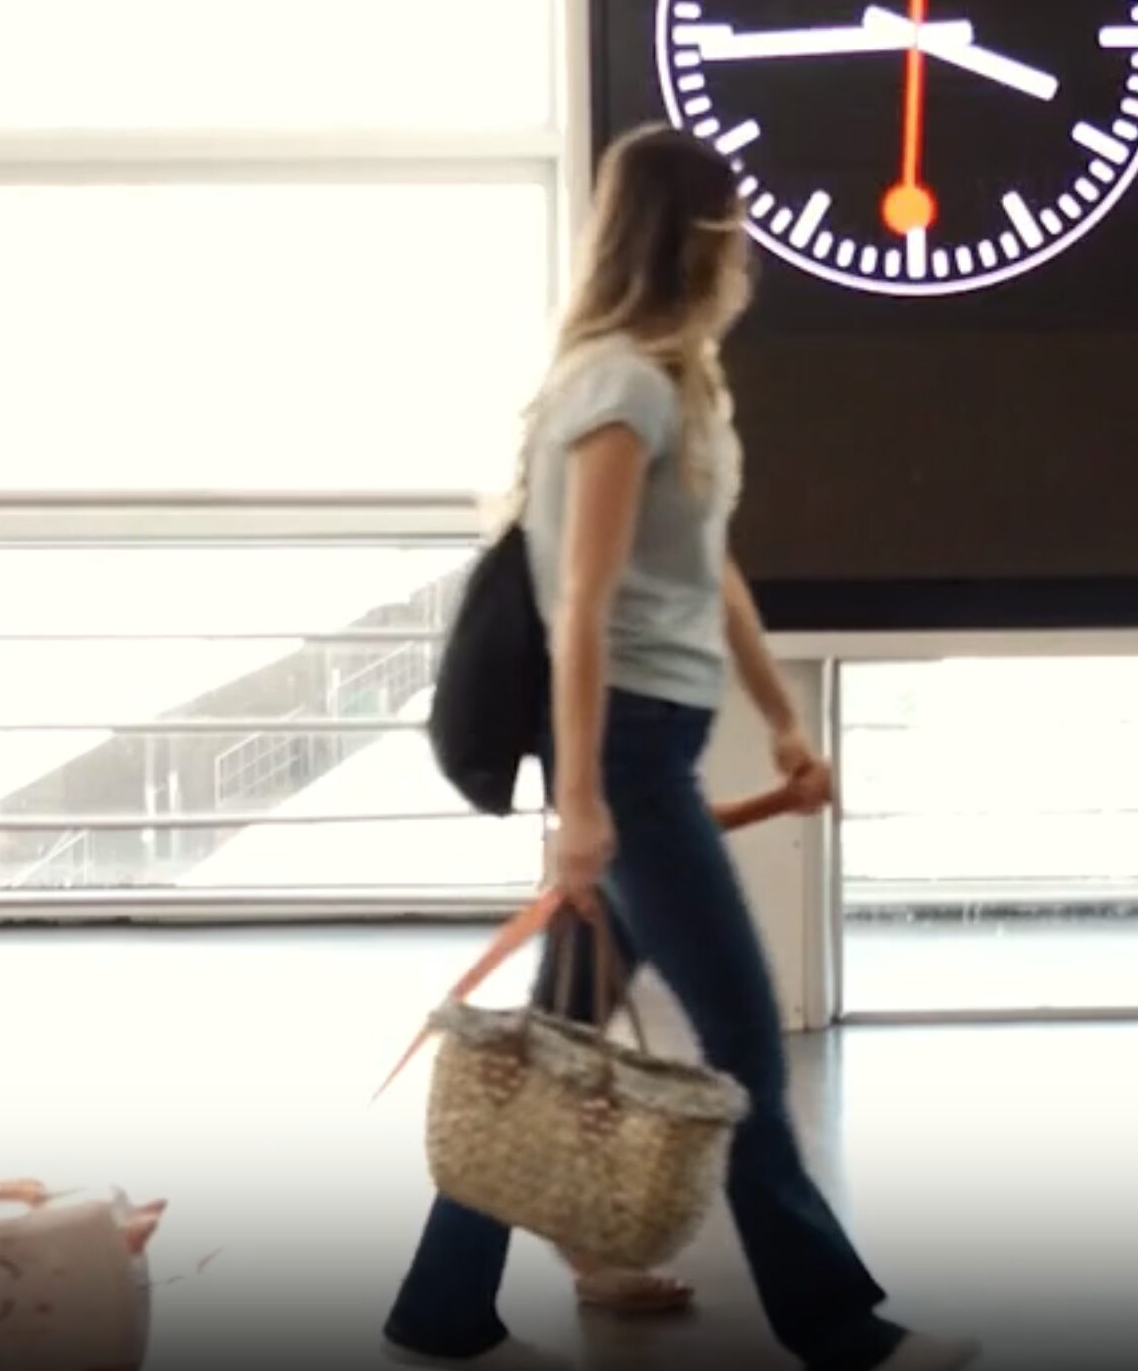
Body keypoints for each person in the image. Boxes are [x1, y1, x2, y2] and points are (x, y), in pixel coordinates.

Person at [384, 125, 975, 1371]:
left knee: (550, 1037)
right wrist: (585, 802)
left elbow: (708, 569)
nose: (751, 253)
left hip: (655, 742)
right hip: (631, 758)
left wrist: (780, 717)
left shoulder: (673, 385)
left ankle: (440, 1306)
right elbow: (582, 602)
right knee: (746, 1044)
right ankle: (840, 1328)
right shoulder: (622, 389)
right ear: (697, 239)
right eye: (738, 229)